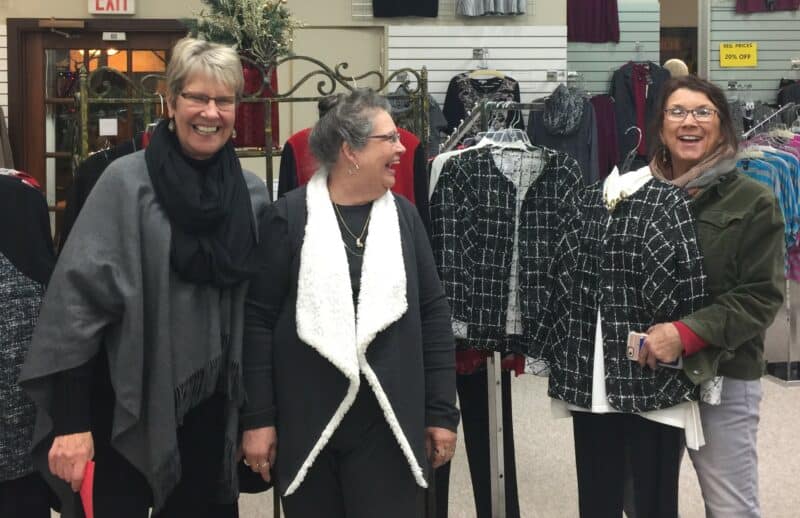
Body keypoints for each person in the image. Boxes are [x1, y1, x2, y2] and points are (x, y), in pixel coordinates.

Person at [19, 37, 269, 518]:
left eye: (224, 100)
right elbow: (76, 309)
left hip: (212, 410)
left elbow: (258, 315)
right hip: (124, 408)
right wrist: (70, 423)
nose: (210, 112)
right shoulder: (124, 184)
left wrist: (257, 416)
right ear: (171, 101)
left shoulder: (251, 195)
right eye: (197, 96)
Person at [240, 88, 460, 517]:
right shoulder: (288, 218)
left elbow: (433, 316)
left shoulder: (405, 218)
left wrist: (440, 413)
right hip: (308, 425)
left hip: (390, 426)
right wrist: (258, 419)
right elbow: (257, 323)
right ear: (350, 151)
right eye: (390, 139)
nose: (402, 148)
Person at [642, 75, 785, 517]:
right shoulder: (636, 194)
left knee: (730, 507)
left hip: (723, 374)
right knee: (643, 502)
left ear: (723, 126)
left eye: (704, 112)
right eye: (678, 111)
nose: (691, 121)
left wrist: (685, 333)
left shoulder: (754, 200)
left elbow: (761, 296)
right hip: (647, 375)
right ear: (661, 125)